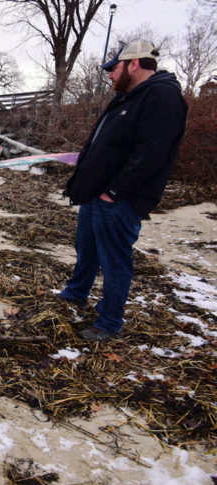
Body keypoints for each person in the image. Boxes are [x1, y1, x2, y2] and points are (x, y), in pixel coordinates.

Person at [59, 41, 188, 341]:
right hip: (97, 193)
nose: (109, 76)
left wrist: (114, 192)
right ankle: (76, 293)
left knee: (115, 260)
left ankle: (109, 323)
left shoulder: (162, 96)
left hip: (119, 199)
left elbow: (151, 154)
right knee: (87, 248)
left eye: (113, 68)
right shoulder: (128, 97)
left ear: (133, 64)